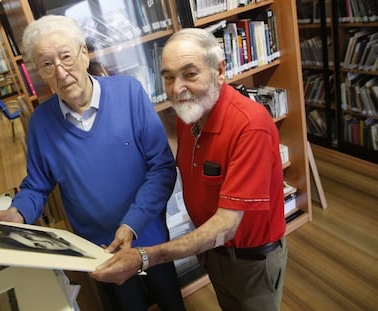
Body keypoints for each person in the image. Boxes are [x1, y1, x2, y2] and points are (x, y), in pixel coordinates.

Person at [0, 15, 186, 311]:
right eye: (46, 64)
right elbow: (37, 185)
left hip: (149, 235)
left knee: (171, 300)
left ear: (84, 54)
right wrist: (18, 212)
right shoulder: (41, 124)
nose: (60, 71)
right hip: (98, 250)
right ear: (40, 73)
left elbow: (161, 167)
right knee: (127, 306)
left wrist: (131, 225)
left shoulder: (129, 93)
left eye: (66, 57)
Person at [90, 28, 288, 311]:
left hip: (251, 263)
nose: (176, 88)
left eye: (190, 74)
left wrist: (145, 257)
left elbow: (227, 223)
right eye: (168, 77)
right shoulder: (189, 115)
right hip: (213, 251)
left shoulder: (251, 126)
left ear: (219, 71)